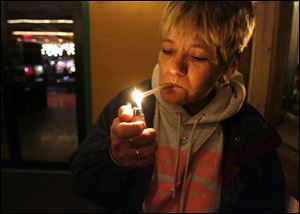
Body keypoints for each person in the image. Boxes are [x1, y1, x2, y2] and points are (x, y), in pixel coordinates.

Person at [70, 1, 285, 212]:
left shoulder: (251, 134)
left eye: (197, 56)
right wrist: (114, 158)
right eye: (167, 50)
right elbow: (82, 183)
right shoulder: (125, 110)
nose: (175, 68)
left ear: (230, 66)